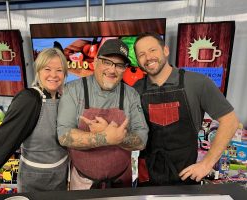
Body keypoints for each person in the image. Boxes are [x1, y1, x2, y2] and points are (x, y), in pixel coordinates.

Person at [133, 32, 239, 186]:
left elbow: (230, 121)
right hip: (148, 175)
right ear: (137, 60)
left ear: (166, 50)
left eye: (152, 50)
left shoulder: (197, 83)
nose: (148, 57)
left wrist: (206, 164)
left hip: (186, 174)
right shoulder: (134, 90)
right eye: (141, 54)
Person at [0, 48, 69, 192]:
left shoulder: (65, 99)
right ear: (38, 70)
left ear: (65, 74)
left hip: (60, 178)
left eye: (59, 70)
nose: (53, 75)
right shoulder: (29, 99)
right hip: (35, 181)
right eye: (47, 69)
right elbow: (3, 140)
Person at [57, 39, 149, 190]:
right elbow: (64, 135)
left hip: (121, 182)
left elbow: (142, 139)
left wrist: (120, 138)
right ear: (95, 61)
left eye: (120, 65)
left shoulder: (131, 95)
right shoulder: (73, 90)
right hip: (82, 184)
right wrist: (105, 138)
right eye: (107, 62)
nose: (112, 70)